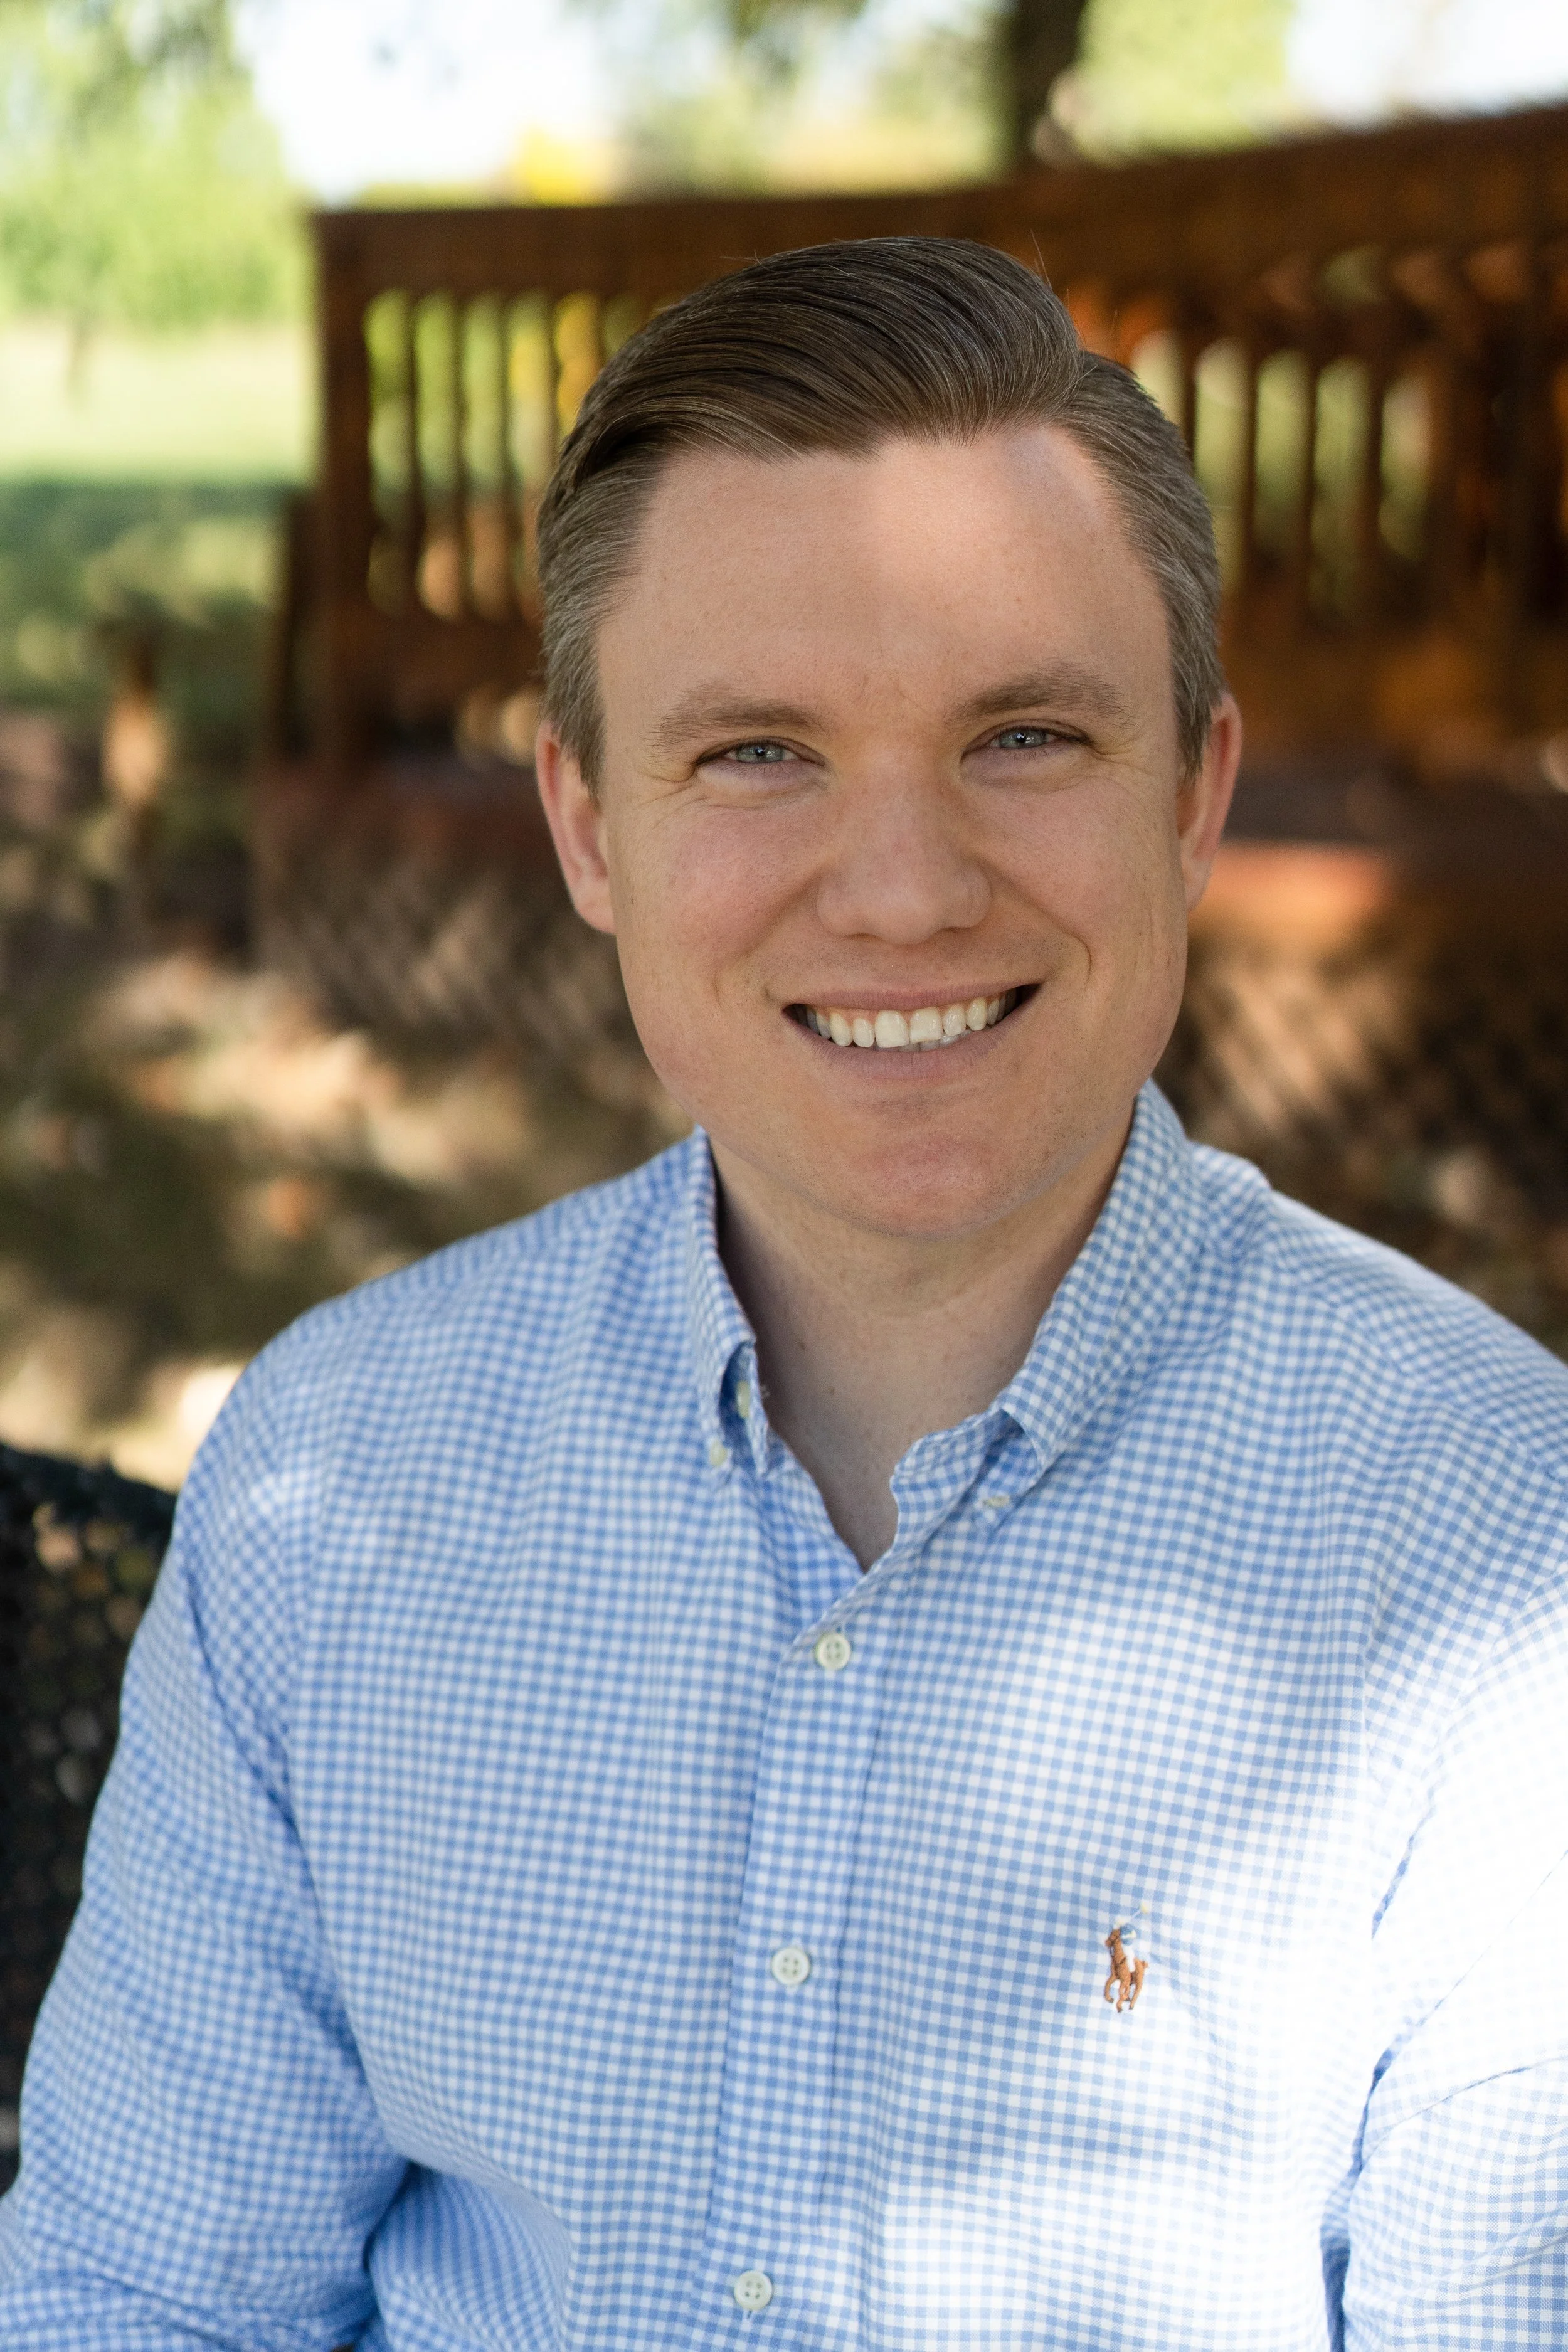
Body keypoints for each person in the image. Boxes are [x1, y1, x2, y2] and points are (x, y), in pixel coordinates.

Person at [2, 237, 1565, 2349]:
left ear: (1192, 797)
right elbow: (133, 2299)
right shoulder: (338, 1470)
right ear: (587, 825)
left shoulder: (1499, 1561)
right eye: (756, 752)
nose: (903, 888)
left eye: (1026, 733)